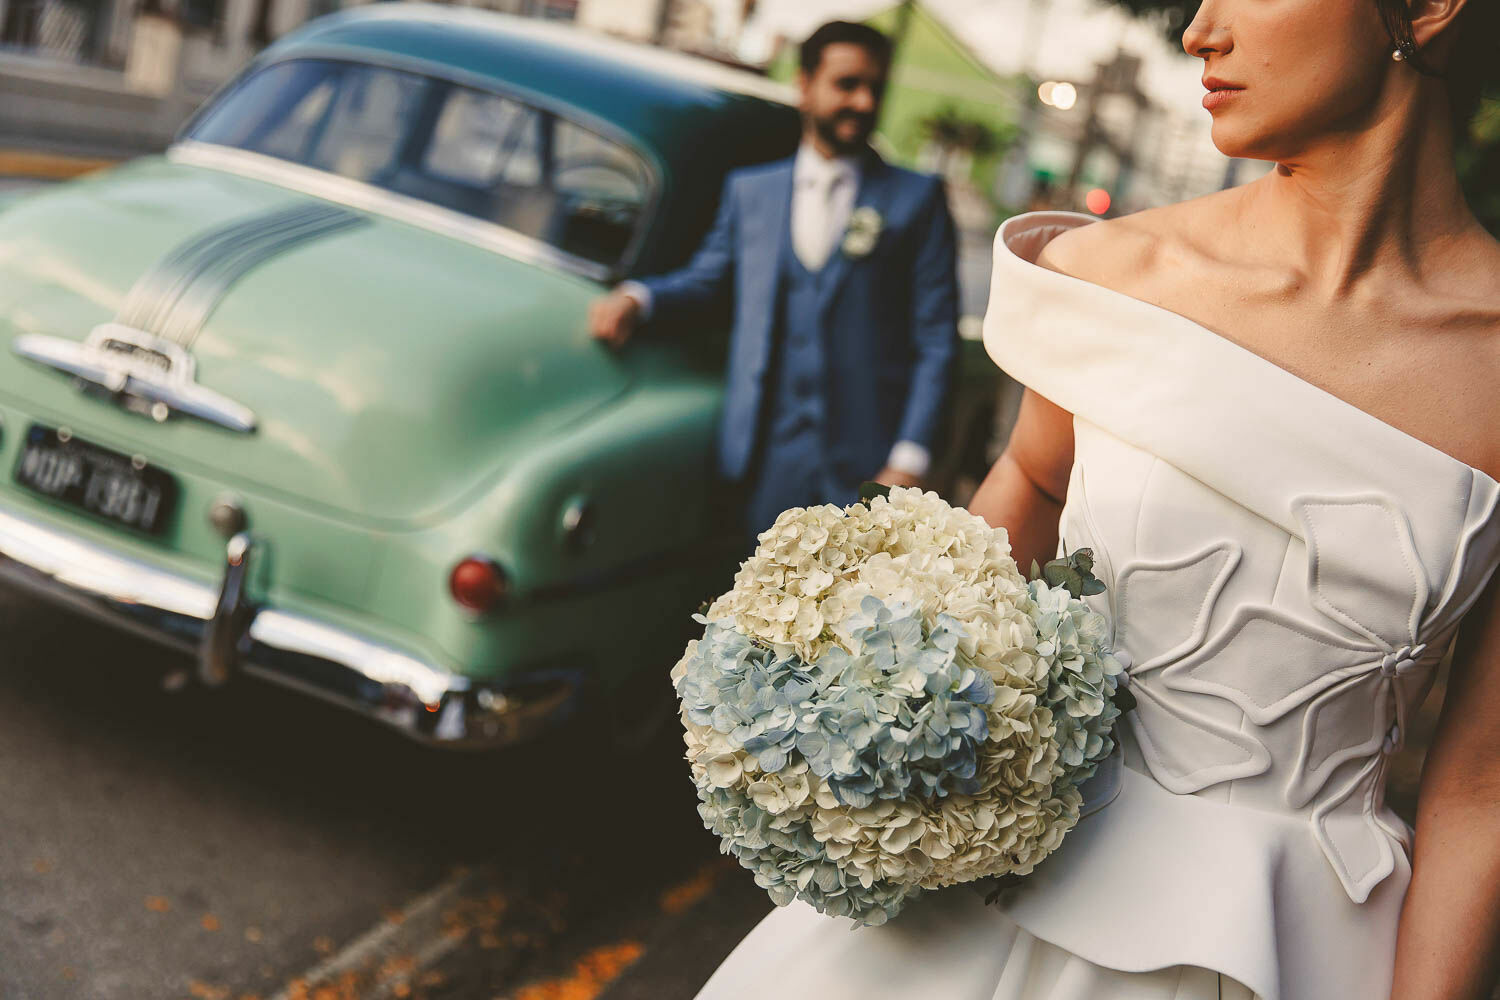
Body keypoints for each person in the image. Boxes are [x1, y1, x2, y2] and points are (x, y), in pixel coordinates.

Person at [689, 0, 1500, 997]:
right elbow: (1029, 483)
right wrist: (871, 696)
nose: (1202, 29)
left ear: (1423, 8)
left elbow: (1481, 782)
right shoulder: (1117, 276)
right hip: (997, 905)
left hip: (1298, 940)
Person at [589, 21, 959, 540]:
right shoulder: (751, 192)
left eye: (875, 88)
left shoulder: (917, 200)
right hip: (764, 460)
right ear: (804, 85)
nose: (863, 100)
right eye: (847, 84)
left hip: (869, 467)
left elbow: (936, 338)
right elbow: (707, 282)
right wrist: (639, 297)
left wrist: (909, 458)